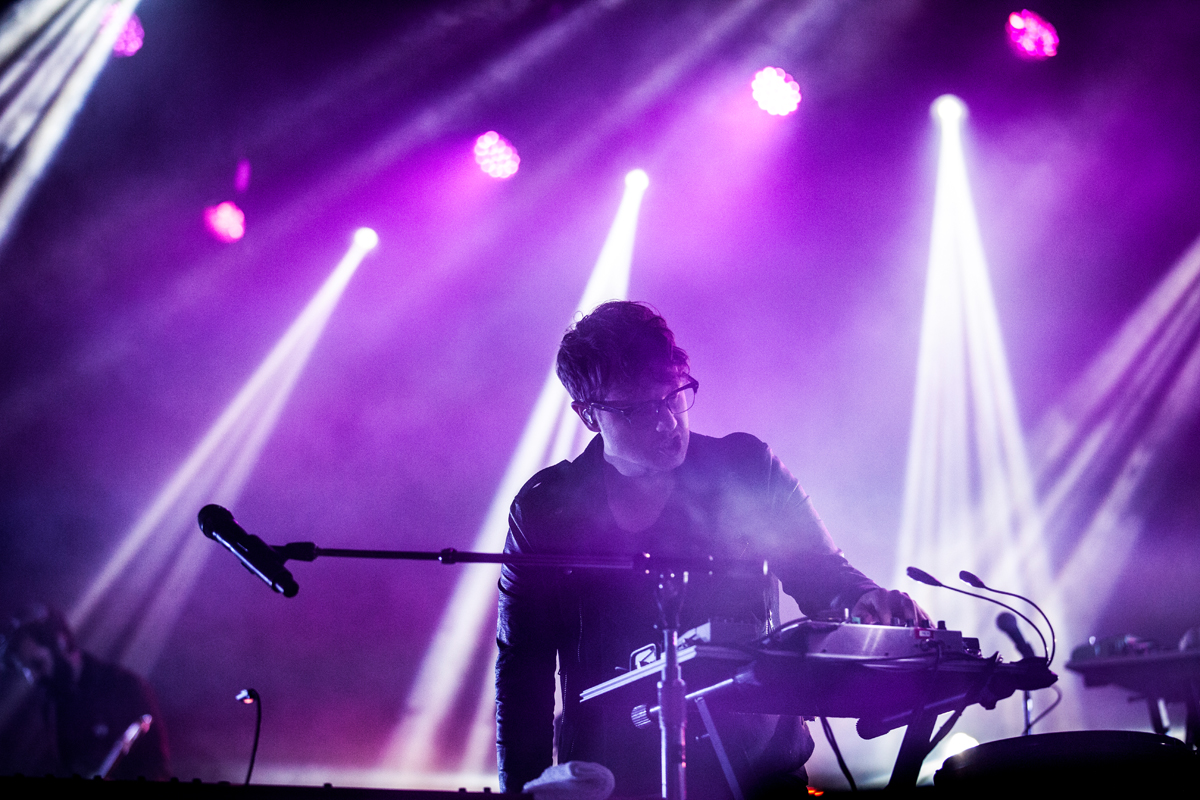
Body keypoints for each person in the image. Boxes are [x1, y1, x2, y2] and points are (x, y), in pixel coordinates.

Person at [495, 301, 927, 798]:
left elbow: (823, 575)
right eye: (636, 408)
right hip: (611, 779)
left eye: (674, 395)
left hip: (757, 774)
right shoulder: (547, 508)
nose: (664, 421)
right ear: (588, 415)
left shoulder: (748, 469)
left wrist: (865, 600)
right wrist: (518, 798)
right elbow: (522, 671)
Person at [0, 605, 169, 780]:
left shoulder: (124, 686)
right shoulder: (51, 706)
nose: (33, 678)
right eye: (26, 670)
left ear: (61, 642)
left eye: (37, 664)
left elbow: (155, 767)